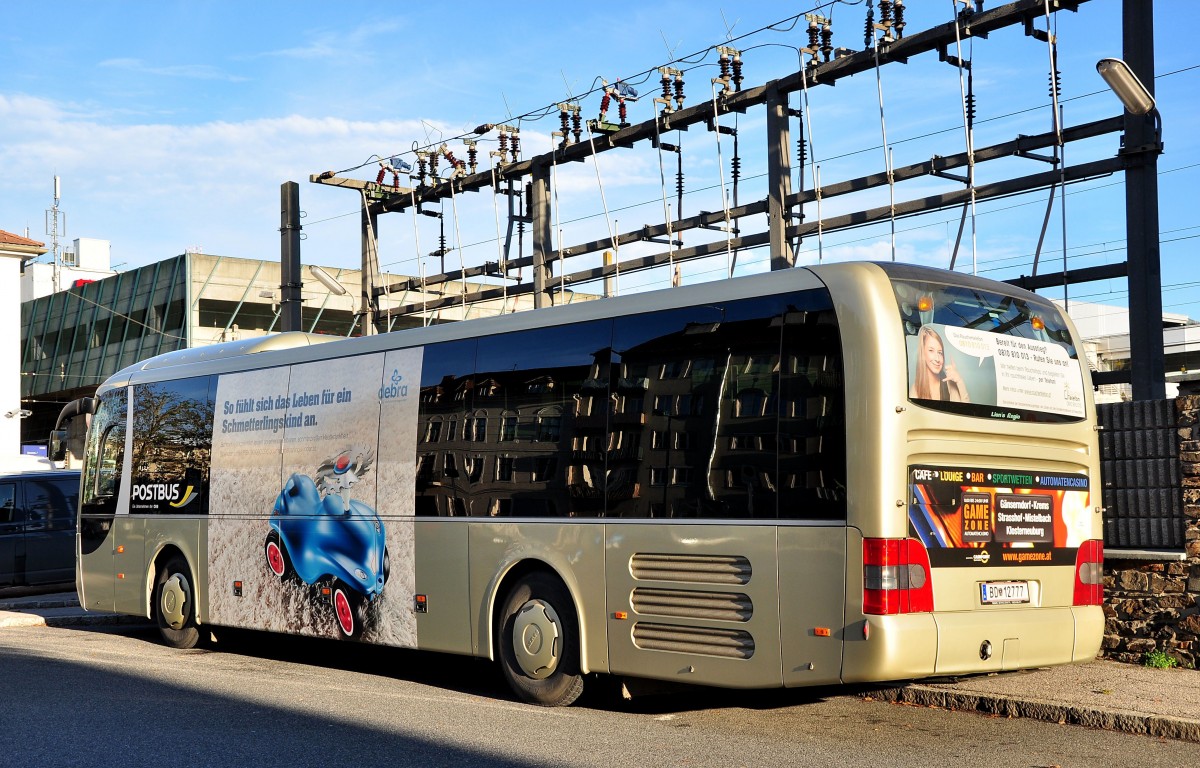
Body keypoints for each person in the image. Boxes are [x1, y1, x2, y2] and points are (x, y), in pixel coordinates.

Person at [910, 325, 969, 402]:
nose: (937, 359)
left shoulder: (949, 383)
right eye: (931, 350)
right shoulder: (915, 390)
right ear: (922, 353)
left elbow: (963, 412)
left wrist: (959, 381)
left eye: (940, 352)